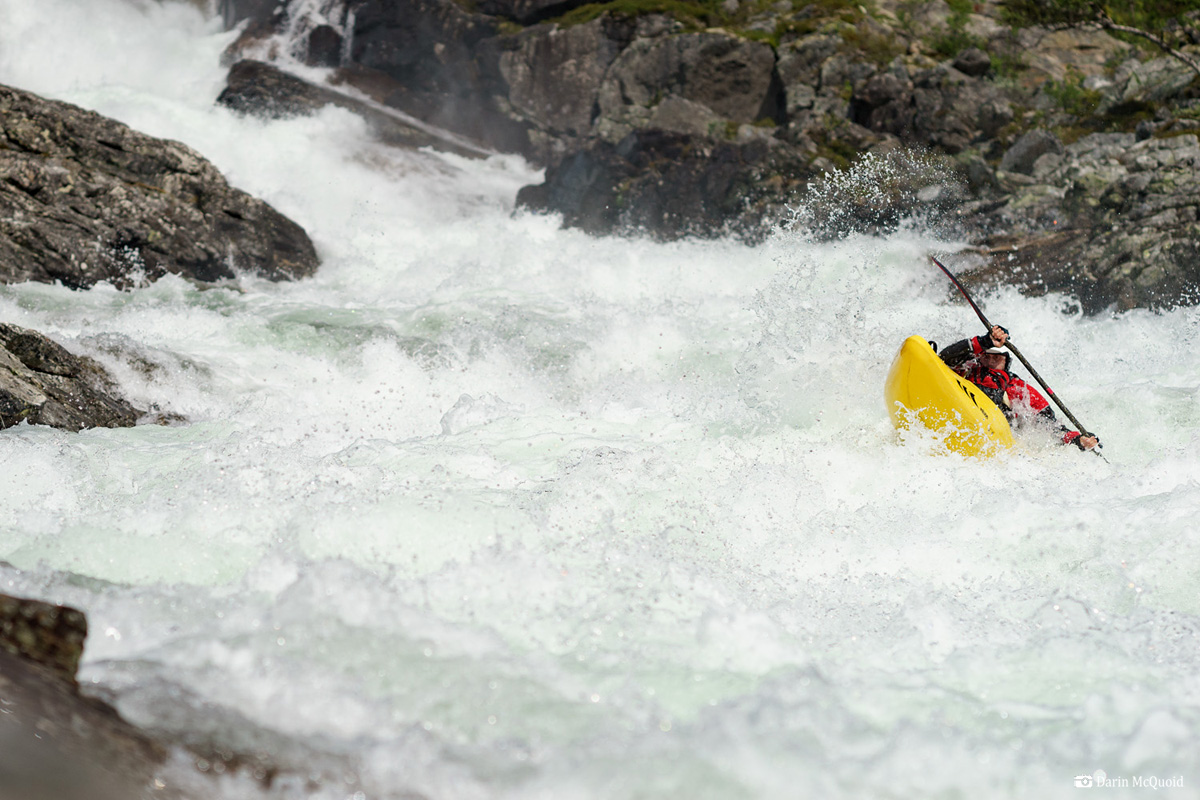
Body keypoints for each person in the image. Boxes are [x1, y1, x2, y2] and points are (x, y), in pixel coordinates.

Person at [938, 325, 1100, 451]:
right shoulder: (968, 369)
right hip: (960, 411)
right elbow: (943, 359)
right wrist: (985, 341)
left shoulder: (1017, 388)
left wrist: (1078, 440)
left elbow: (1050, 426)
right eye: (987, 356)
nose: (991, 360)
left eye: (997, 357)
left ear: (1006, 361)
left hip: (995, 435)